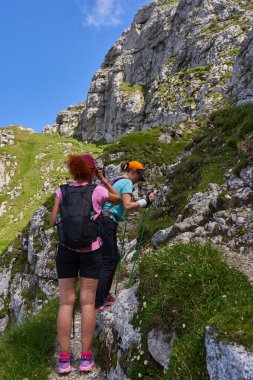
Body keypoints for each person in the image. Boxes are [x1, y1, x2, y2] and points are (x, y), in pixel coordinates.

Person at [50, 154, 121, 374]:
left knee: (66, 302)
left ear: (72, 169)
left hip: (66, 250)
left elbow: (53, 221)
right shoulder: (98, 190)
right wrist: (103, 178)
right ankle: (85, 359)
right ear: (91, 171)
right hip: (91, 252)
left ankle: (63, 360)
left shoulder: (62, 190)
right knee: (88, 303)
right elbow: (118, 199)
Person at [95, 160, 155, 312]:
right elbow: (127, 206)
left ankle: (104, 294)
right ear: (133, 172)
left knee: (112, 257)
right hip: (108, 221)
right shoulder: (127, 183)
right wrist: (145, 201)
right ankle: (97, 301)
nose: (137, 182)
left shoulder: (115, 180)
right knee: (110, 260)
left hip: (102, 221)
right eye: (139, 178)